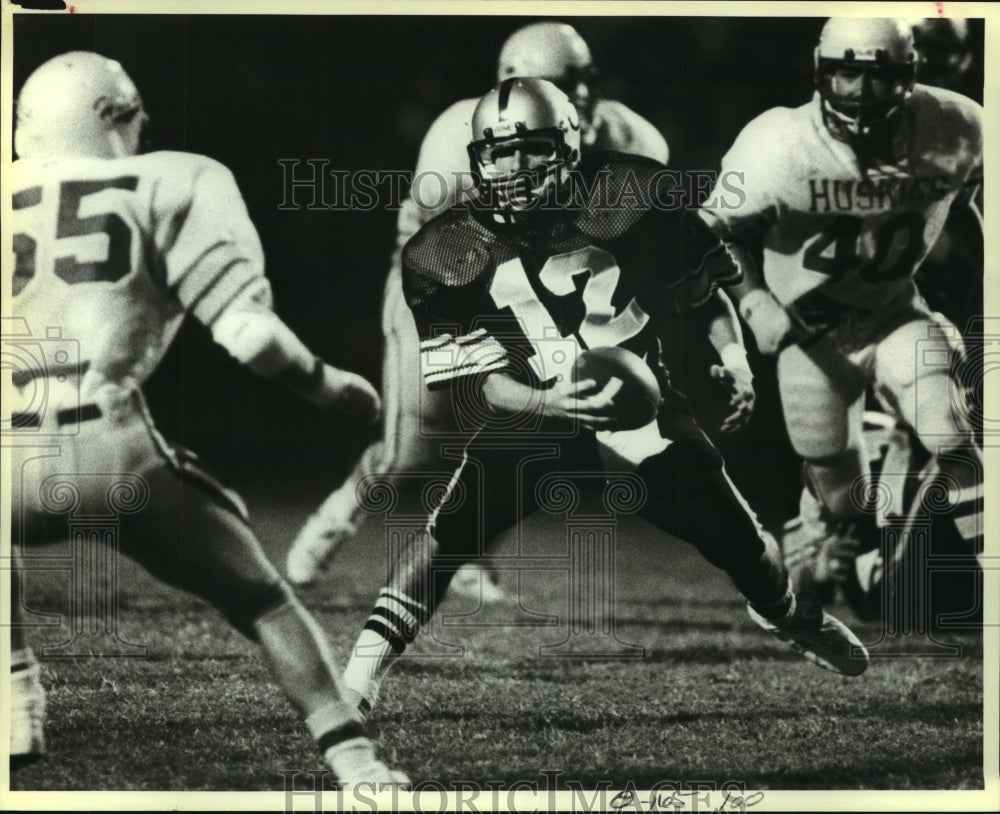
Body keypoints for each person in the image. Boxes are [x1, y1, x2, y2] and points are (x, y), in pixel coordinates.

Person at [338, 76, 870, 716]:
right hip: (530, 407)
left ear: (568, 146)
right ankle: (358, 678)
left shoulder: (629, 192)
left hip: (636, 402)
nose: (514, 167)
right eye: (499, 152)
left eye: (532, 148)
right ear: (477, 158)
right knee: (445, 536)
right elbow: (478, 384)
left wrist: (736, 360)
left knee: (740, 542)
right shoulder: (443, 250)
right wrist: (549, 405)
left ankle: (787, 615)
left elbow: (705, 295)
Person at [7, 51, 406, 784]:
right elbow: (251, 337)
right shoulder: (177, 178)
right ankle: (359, 768)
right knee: (263, 601)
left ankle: (14, 693)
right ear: (115, 118)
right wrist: (328, 389)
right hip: (107, 448)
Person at [286, 22, 671, 600]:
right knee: (414, 451)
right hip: (443, 282)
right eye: (556, 83)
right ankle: (332, 522)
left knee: (509, 440)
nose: (578, 95)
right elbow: (429, 245)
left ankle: (466, 554)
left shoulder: (632, 138)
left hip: (540, 287)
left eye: (581, 80)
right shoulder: (459, 134)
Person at [697, 18, 984, 609]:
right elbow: (712, 237)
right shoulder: (778, 141)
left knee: (954, 437)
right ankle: (830, 534)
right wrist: (755, 301)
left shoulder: (957, 123)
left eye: (878, 76)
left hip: (895, 314)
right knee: (845, 503)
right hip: (811, 335)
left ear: (909, 74)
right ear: (821, 71)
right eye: (847, 73)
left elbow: (961, 207)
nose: (860, 92)